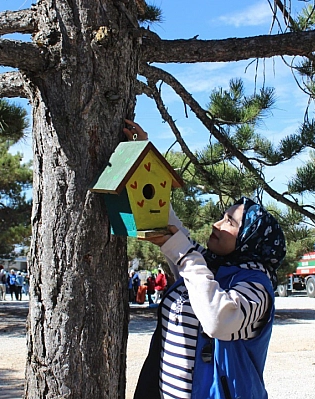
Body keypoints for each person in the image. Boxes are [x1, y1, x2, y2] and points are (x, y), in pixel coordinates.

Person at [126, 120, 286, 399]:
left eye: (229, 222)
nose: (216, 223)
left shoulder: (257, 288)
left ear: (250, 238)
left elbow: (218, 321)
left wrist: (185, 254)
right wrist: (142, 154)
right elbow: (162, 214)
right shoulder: (207, 265)